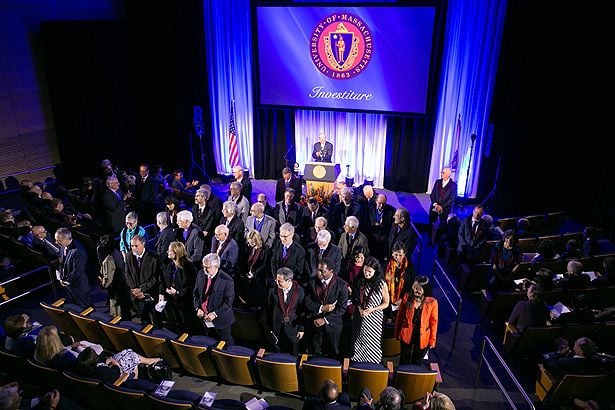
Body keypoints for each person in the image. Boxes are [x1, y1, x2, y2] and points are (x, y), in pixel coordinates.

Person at [304, 258, 349, 359]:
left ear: (331, 271)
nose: (319, 273)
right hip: (315, 324)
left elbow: (341, 309)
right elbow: (307, 302)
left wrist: (325, 320)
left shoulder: (342, 285)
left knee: (333, 355)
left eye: (322, 271)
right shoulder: (312, 282)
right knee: (316, 355)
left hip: (333, 326)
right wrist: (322, 308)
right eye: (318, 270)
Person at [350, 257, 389, 364]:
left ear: (375, 271)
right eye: (365, 270)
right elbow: (355, 298)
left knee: (373, 342)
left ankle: (373, 364)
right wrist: (359, 308)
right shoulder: (359, 280)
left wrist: (373, 309)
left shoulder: (381, 283)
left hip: (374, 318)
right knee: (358, 340)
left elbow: (386, 303)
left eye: (369, 272)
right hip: (360, 316)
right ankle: (357, 362)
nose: (366, 273)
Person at [194, 253, 236, 344]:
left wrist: (215, 314)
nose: (204, 269)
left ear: (216, 266)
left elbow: (228, 302)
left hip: (221, 321)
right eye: (203, 266)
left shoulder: (227, 280)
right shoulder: (201, 274)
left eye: (207, 267)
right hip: (204, 318)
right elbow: (196, 293)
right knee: (209, 343)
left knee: (225, 346)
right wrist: (198, 308)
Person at [395, 280, 438, 365]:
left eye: (419, 289)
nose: (416, 290)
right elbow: (400, 317)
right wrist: (397, 333)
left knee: (417, 361)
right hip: (407, 333)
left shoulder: (432, 302)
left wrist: (432, 341)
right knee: (404, 359)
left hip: (422, 335)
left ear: (425, 289)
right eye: (414, 288)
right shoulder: (407, 297)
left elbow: (434, 322)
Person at [159, 241, 197, 333]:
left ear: (176, 252)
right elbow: (162, 280)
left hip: (185, 301)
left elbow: (193, 286)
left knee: (188, 324)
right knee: (176, 322)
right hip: (171, 300)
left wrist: (178, 292)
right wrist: (161, 293)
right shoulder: (167, 263)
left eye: (169, 250)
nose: (167, 252)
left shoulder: (189, 266)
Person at [268, 267, 305, 356]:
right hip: (277, 326)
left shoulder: (299, 291)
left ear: (289, 281)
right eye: (276, 280)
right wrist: (270, 325)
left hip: (293, 327)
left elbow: (302, 311)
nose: (277, 283)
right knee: (277, 354)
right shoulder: (273, 289)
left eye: (280, 281)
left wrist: (301, 329)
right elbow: (269, 307)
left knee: (293, 354)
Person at [125, 234, 160, 326]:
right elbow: (127, 274)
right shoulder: (128, 256)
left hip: (149, 293)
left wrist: (141, 289)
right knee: (144, 320)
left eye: (136, 246)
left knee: (156, 319)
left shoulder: (153, 257)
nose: (134, 248)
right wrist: (135, 289)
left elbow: (154, 278)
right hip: (135, 295)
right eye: (132, 246)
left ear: (143, 244)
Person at [54, 227, 91, 308]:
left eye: (58, 240)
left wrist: (66, 281)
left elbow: (78, 271)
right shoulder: (63, 246)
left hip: (79, 286)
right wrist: (61, 278)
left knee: (85, 309)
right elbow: (61, 263)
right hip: (69, 285)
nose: (56, 242)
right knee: (76, 308)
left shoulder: (78, 251)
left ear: (66, 239)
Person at [97, 234, 131, 320]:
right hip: (123, 285)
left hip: (115, 289)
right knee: (126, 309)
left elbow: (108, 280)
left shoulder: (109, 260)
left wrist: (102, 283)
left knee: (118, 314)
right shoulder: (116, 252)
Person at [239, 230, 270, 308]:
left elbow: (264, 265)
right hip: (248, 274)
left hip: (258, 276)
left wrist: (254, 274)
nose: (250, 244)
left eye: (252, 243)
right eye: (249, 242)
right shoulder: (249, 248)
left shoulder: (265, 249)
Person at [384, 242, 415, 319]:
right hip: (387, 299)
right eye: (395, 255)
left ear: (405, 254)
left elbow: (412, 285)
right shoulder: (386, 265)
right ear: (392, 253)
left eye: (400, 255)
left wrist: (402, 299)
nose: (397, 257)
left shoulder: (410, 268)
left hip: (402, 301)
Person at [429, 167, 457, 246]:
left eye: (443, 173)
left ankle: (439, 241)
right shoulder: (438, 182)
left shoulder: (453, 185)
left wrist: (442, 207)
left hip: (445, 209)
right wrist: (435, 204)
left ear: (448, 175)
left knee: (443, 225)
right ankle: (431, 240)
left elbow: (452, 199)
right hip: (434, 206)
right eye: (441, 172)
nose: (441, 174)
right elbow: (432, 195)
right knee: (431, 222)